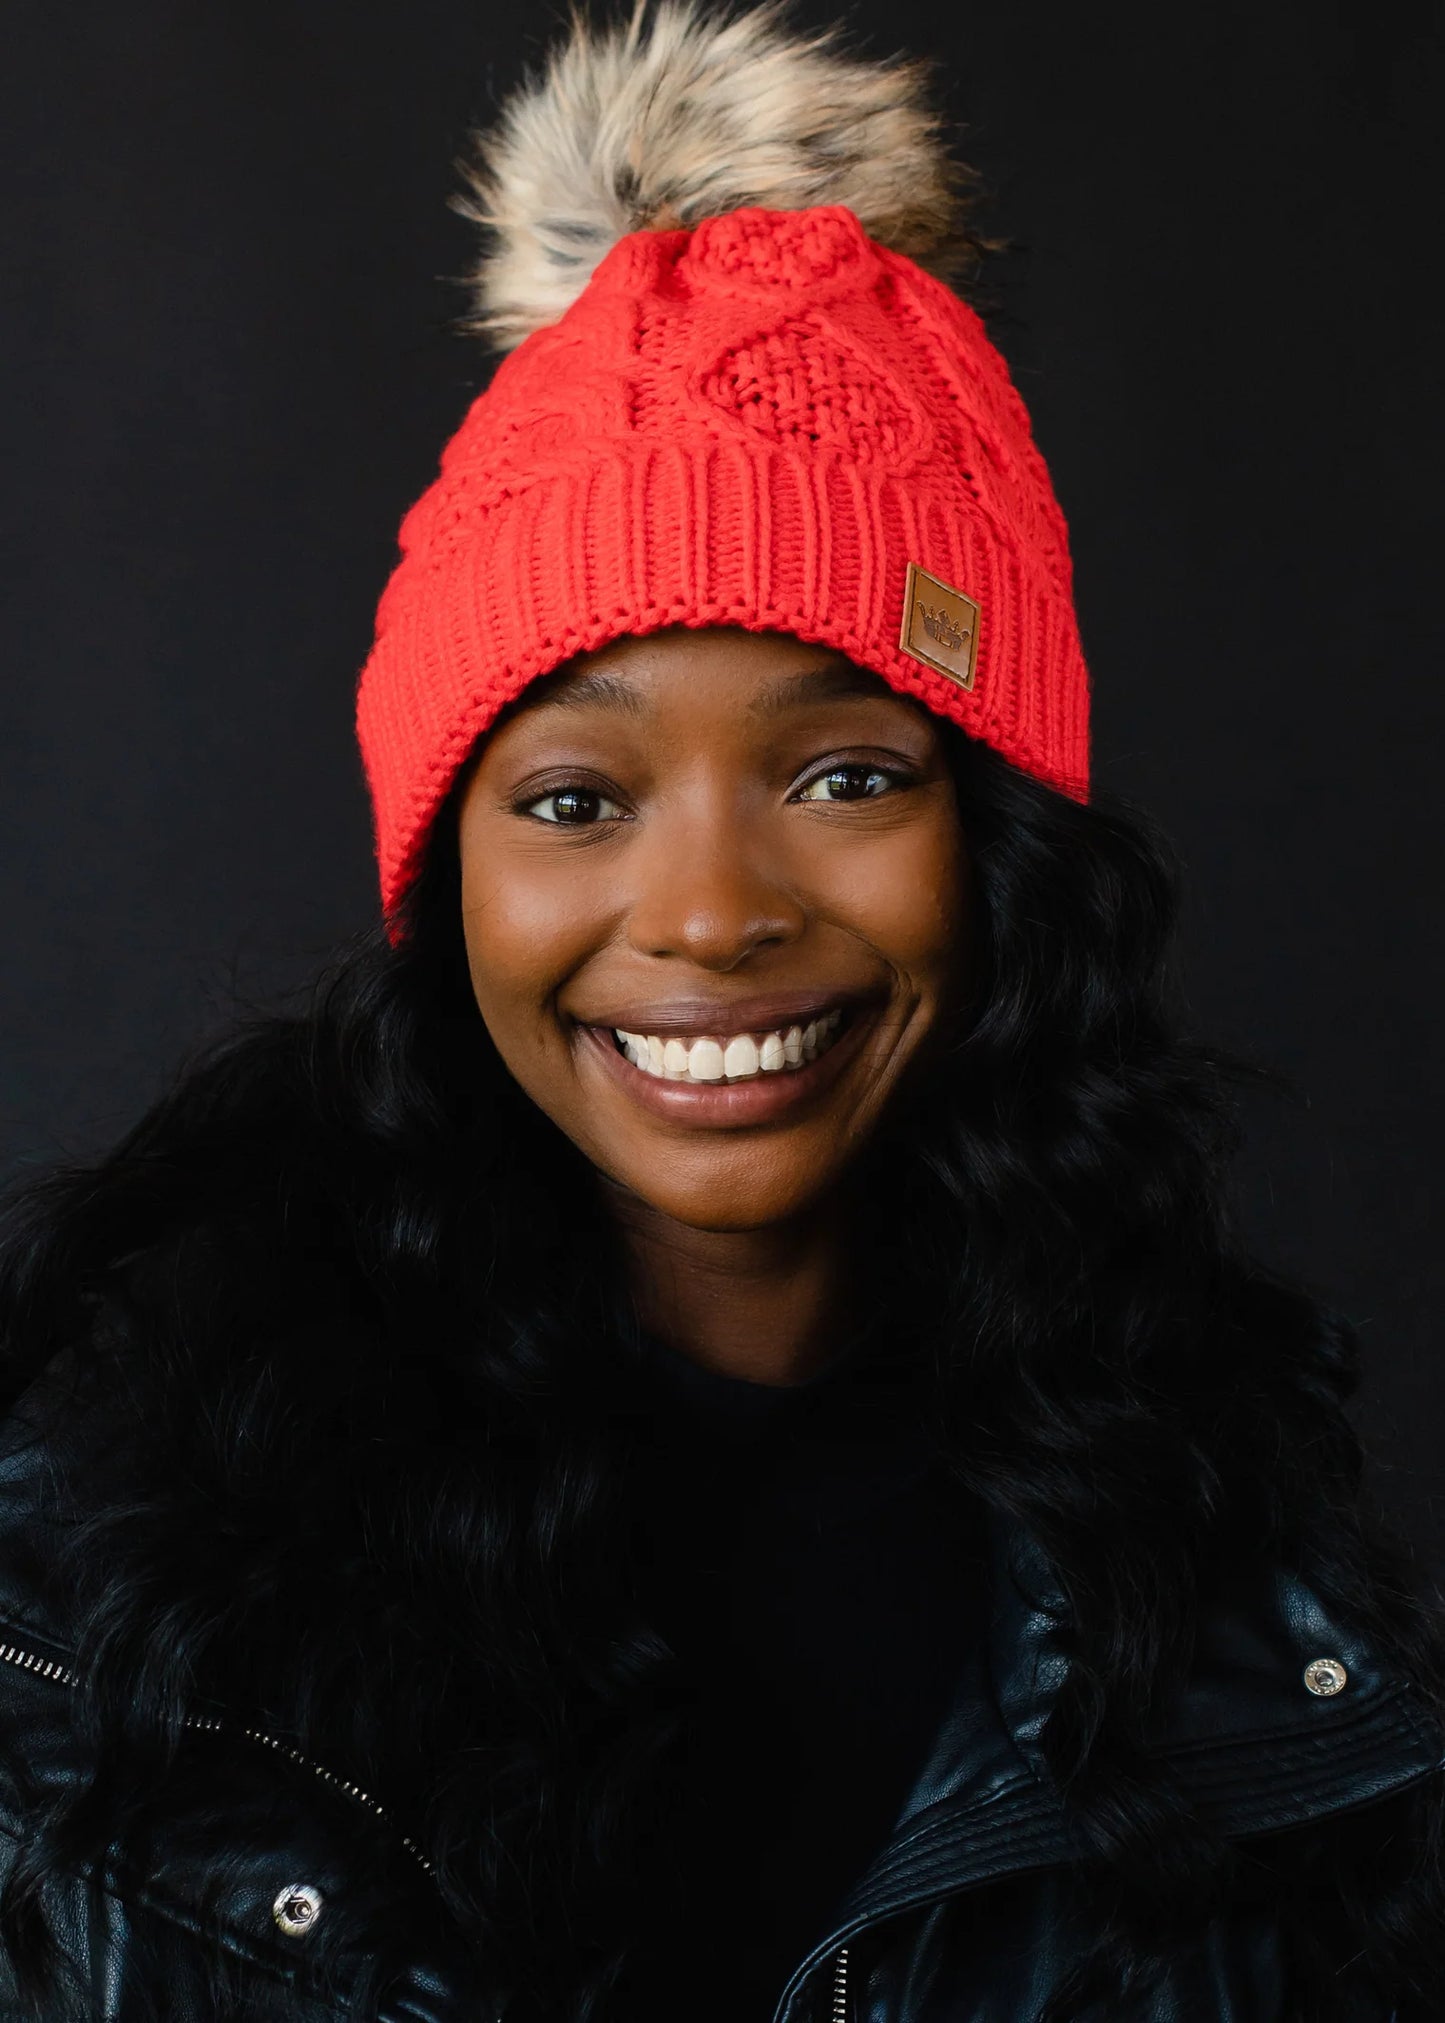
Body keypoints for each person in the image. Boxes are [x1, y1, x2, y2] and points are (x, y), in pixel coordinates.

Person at [1, 5, 1441, 2019]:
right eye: (575, 799)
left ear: (1000, 841)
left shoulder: (1236, 1581)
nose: (708, 914)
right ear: (446, 876)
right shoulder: (105, 1569)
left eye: (846, 775)